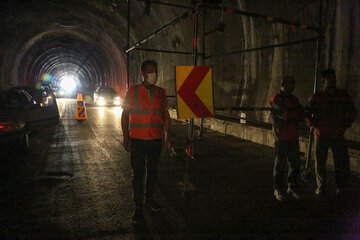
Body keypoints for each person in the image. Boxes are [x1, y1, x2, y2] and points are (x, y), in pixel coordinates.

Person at [121, 60, 171, 223]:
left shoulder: (162, 93)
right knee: (138, 174)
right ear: (143, 73)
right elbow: (125, 115)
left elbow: (165, 116)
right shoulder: (132, 92)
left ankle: (149, 200)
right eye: (150, 71)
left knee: (153, 172)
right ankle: (138, 207)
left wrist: (167, 136)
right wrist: (125, 136)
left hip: (155, 139)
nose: (153, 74)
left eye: (155, 71)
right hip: (137, 140)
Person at [305, 69, 357, 196]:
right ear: (324, 81)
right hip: (321, 133)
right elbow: (306, 112)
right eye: (330, 78)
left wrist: (345, 124)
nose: (333, 80)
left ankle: (341, 186)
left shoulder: (342, 95)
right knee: (320, 161)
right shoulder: (316, 97)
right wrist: (313, 124)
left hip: (337, 134)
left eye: (334, 78)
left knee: (340, 161)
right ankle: (321, 186)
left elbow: (352, 111)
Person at [270, 76, 305, 201]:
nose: (292, 87)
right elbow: (285, 115)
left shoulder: (294, 99)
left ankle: (292, 187)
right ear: (283, 84)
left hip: (293, 136)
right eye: (290, 85)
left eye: (293, 85)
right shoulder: (275, 99)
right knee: (280, 165)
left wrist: (293, 114)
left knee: (294, 164)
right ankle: (278, 189)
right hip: (282, 137)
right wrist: (294, 114)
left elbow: (301, 114)